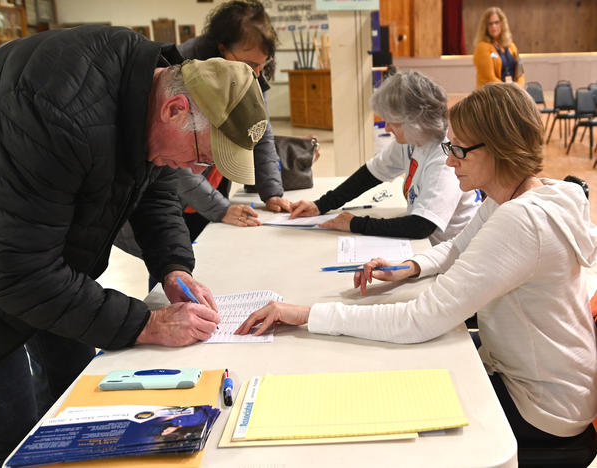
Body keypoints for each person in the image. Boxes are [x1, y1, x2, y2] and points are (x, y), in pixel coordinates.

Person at [0, 26, 268, 467]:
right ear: (175, 109)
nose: (196, 168)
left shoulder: (146, 87)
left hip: (24, 245)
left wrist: (173, 266)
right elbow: (19, 275)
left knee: (78, 390)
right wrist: (144, 324)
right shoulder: (57, 110)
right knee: (5, 426)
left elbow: (155, 188)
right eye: (201, 155)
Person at [237, 83, 597, 451]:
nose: (451, 159)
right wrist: (408, 267)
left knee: (391, 417)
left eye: (459, 149)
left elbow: (419, 320)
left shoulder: (520, 221)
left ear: (499, 148)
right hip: (541, 379)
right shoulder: (521, 194)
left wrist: (306, 313)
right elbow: (456, 249)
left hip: (543, 407)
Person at [289, 71, 480, 245]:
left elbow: (421, 226)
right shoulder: (413, 139)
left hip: (450, 249)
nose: (387, 128)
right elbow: (370, 174)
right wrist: (320, 205)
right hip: (426, 244)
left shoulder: (444, 159)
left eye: (392, 122)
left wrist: (355, 224)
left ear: (416, 121)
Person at [176, 0, 290, 238]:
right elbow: (171, 166)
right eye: (249, 64)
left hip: (210, 186)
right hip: (171, 198)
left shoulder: (245, 73)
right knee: (172, 260)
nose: (256, 74)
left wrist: (272, 192)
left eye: (263, 64)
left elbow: (260, 131)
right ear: (221, 48)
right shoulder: (179, 73)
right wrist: (220, 208)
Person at [473, 6, 524, 88]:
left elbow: (520, 73)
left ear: (502, 23)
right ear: (485, 27)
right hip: (491, 94)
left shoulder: (511, 46)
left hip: (512, 93)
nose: (494, 26)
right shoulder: (482, 47)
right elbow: (489, 78)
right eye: (490, 24)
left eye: (496, 22)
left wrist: (519, 88)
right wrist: (510, 90)